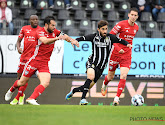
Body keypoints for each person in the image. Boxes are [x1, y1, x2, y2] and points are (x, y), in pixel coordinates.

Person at [5, 16, 79, 105]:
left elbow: (65, 36)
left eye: (55, 25)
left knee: (46, 81)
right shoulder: (39, 32)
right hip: (34, 61)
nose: (54, 27)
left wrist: (72, 40)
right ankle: (11, 89)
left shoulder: (54, 31)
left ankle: (31, 98)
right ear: (46, 25)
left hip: (44, 63)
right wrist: (57, 38)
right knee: (21, 82)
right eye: (52, 25)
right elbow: (45, 41)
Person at [65, 20, 132, 105]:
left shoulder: (110, 38)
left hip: (101, 67)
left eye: (106, 29)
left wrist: (127, 44)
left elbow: (121, 40)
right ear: (98, 29)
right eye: (103, 29)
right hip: (92, 61)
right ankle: (83, 99)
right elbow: (82, 38)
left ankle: (74, 91)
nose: (105, 31)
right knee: (90, 77)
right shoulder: (94, 37)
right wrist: (75, 41)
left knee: (88, 86)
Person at [101, 8, 139, 106]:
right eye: (132, 15)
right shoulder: (121, 24)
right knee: (110, 77)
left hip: (126, 55)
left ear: (137, 17)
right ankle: (104, 84)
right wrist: (118, 49)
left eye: (135, 15)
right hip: (116, 53)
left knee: (123, 75)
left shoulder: (136, 28)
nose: (133, 17)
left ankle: (116, 99)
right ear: (128, 15)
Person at [9, 15, 41, 105]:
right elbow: (18, 41)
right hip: (23, 57)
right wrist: (18, 48)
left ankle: (17, 97)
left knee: (25, 78)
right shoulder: (24, 29)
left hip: (32, 59)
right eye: (33, 19)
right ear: (29, 21)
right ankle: (21, 94)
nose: (35, 21)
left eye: (36, 19)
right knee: (19, 78)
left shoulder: (41, 31)